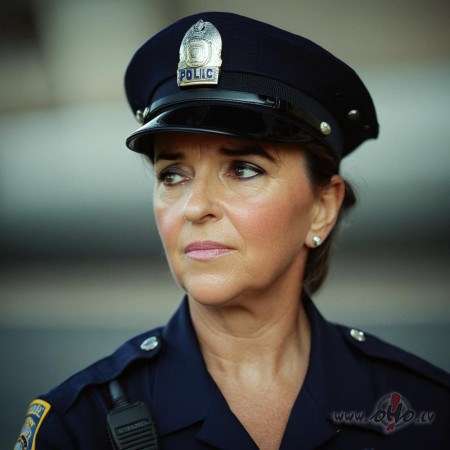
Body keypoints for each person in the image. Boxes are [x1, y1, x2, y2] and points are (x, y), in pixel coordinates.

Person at [15, 12, 449, 450]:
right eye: (172, 175)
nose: (195, 207)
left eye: (243, 169)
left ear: (322, 208)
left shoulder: (425, 411)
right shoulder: (76, 428)